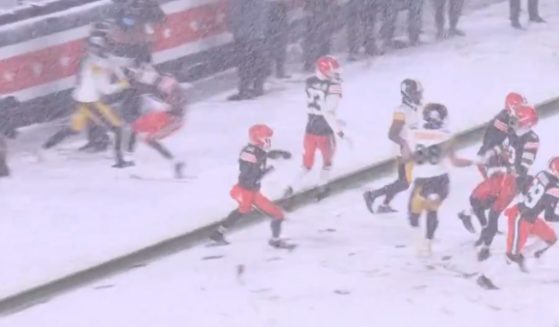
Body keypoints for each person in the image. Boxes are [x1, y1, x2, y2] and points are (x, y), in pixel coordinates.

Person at [42, 35, 132, 168]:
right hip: (90, 102)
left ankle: (45, 148)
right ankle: (120, 161)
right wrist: (124, 84)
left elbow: (111, 61)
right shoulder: (98, 64)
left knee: (74, 129)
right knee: (117, 128)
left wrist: (125, 65)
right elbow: (106, 89)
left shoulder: (87, 59)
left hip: (78, 100)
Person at [469, 104, 539, 262]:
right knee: (474, 199)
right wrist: (489, 154)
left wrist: (508, 167)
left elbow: (522, 168)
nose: (512, 121)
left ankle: (486, 246)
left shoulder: (531, 140)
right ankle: (485, 231)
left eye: (516, 119)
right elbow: (501, 148)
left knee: (494, 213)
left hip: (511, 181)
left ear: (525, 123)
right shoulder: (512, 132)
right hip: (500, 174)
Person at [477, 157, 559, 290]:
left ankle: (525, 255)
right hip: (521, 219)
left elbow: (528, 187)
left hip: (529, 216)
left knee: (551, 238)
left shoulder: (542, 174)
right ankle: (486, 277)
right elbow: (549, 216)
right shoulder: (555, 188)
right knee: (510, 256)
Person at [209, 124, 294, 249]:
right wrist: (270, 169)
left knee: (242, 211)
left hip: (247, 190)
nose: (268, 140)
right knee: (277, 214)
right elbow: (252, 174)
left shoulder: (252, 150)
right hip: (247, 191)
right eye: (266, 137)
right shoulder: (252, 155)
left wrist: (279, 154)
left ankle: (218, 233)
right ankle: (275, 240)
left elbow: (263, 155)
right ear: (258, 138)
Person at [407, 103, 472, 255]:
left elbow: (407, 155)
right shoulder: (446, 135)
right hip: (440, 180)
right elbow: (455, 162)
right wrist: (474, 162)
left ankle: (420, 244)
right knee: (432, 209)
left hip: (422, 179)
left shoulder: (414, 131)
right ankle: (428, 242)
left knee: (413, 214)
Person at [458, 92, 527, 233]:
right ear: (512, 106)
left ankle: (471, 215)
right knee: (498, 191)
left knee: (498, 193)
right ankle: (484, 224)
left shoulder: (507, 118)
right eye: (519, 107)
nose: (521, 110)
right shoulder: (502, 122)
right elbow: (494, 143)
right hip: (490, 159)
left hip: (494, 158)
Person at [284, 56, 344, 202]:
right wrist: (339, 130)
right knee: (327, 162)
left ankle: (291, 187)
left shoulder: (310, 81)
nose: (335, 73)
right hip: (324, 130)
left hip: (310, 128)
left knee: (307, 165)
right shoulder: (334, 86)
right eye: (332, 71)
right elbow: (328, 111)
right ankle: (322, 188)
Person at [363, 79, 423, 213]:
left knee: (401, 180)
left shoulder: (413, 108)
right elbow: (392, 134)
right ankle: (372, 195)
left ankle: (384, 204)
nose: (419, 96)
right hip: (403, 151)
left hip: (410, 148)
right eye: (416, 93)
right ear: (408, 93)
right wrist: (405, 145)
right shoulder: (401, 111)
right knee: (405, 182)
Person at [125, 63, 187, 178]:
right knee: (147, 137)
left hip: (168, 118)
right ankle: (175, 162)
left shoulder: (163, 85)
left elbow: (151, 89)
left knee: (137, 129)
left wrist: (135, 83)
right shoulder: (170, 84)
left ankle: (129, 161)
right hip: (172, 119)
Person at [227, 0, 270, 100]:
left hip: (244, 35)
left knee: (245, 62)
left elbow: (235, 15)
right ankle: (258, 87)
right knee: (258, 60)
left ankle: (244, 90)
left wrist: (234, 29)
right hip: (259, 33)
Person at [303, 0, 335, 71]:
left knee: (317, 38)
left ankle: (314, 62)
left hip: (318, 9)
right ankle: (316, 62)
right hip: (317, 10)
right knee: (317, 38)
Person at [265, 0, 290, 79]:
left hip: (272, 26)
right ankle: (279, 71)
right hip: (277, 26)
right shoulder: (280, 6)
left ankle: (268, 69)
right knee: (280, 49)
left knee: (270, 48)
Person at [0, 96, 19, 177]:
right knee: (2, 148)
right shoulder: (3, 111)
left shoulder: (3, 110)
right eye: (14, 108)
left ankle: (3, 169)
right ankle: (2, 170)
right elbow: (4, 125)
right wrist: (11, 133)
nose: (14, 111)